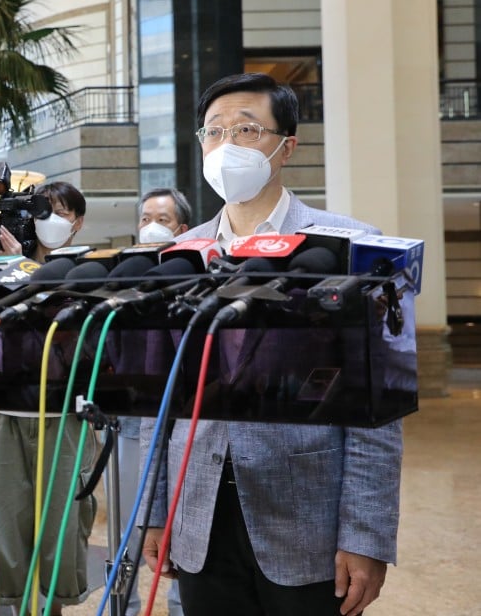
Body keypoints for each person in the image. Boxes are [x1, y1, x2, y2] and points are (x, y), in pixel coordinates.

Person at [137, 73, 403, 616]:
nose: (227, 145)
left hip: (308, 520)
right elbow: (155, 403)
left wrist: (367, 536)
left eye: (246, 129)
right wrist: (154, 510)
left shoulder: (349, 247)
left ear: (286, 147)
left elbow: (377, 412)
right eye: (214, 132)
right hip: (198, 514)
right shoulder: (180, 259)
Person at [0, 181, 97, 615]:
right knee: (5, 522)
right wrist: (11, 265)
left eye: (61, 212)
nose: (50, 220)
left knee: (62, 523)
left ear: (79, 221)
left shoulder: (86, 270)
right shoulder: (2, 269)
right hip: (4, 411)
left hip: (65, 413)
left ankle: (53, 607)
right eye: (43, 210)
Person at [118, 188, 190, 616]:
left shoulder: (198, 277)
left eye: (161, 218)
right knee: (135, 524)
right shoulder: (125, 278)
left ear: (182, 229)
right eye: (145, 218)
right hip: (131, 421)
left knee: (184, 526)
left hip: (185, 423)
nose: (151, 225)